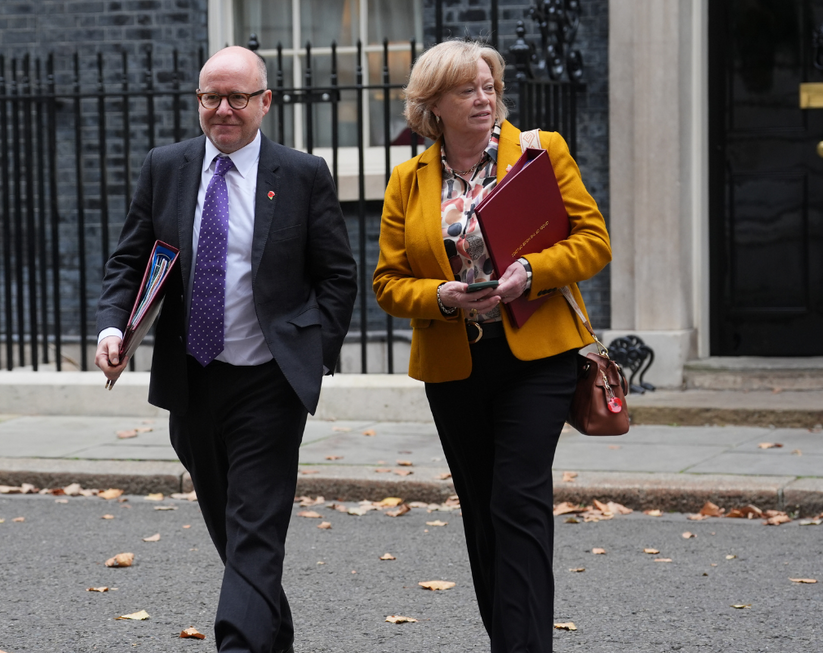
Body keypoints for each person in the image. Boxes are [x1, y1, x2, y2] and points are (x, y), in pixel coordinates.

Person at [95, 46, 358, 653]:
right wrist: (115, 328)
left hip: (269, 382)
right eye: (211, 97)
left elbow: (337, 275)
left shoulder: (300, 174)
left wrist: (315, 353)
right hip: (193, 380)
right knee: (233, 529)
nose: (224, 110)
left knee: (255, 528)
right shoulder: (167, 166)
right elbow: (131, 258)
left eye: (238, 97)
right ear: (198, 102)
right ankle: (275, 639)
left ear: (264, 102)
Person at [372, 40, 611, 653]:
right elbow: (388, 284)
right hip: (456, 364)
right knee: (481, 511)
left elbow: (593, 242)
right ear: (433, 106)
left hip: (538, 357)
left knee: (517, 498)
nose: (483, 99)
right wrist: (443, 296)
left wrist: (532, 270)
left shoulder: (539, 151)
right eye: (465, 90)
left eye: (488, 86)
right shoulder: (409, 179)